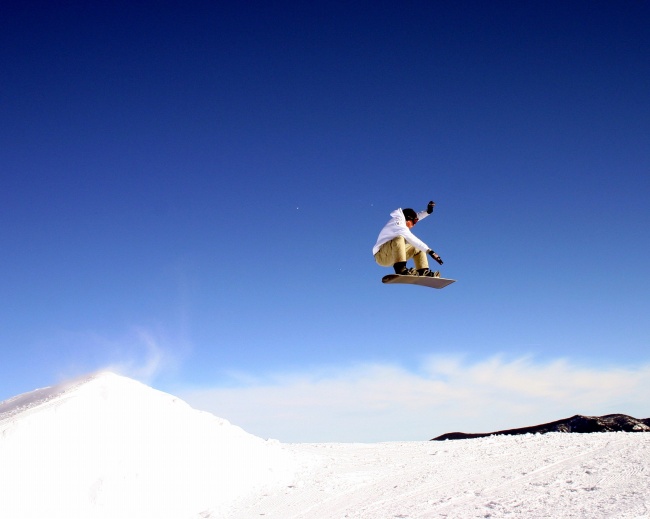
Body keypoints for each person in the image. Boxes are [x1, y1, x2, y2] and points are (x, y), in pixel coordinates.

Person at [373, 201, 444, 277]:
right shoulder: (398, 224)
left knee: (418, 248)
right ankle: (400, 269)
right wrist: (431, 252)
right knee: (400, 238)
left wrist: (428, 211)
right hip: (381, 256)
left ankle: (423, 271)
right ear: (408, 219)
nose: (414, 225)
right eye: (414, 222)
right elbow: (412, 239)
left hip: (392, 255)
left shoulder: (404, 220)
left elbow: (417, 216)